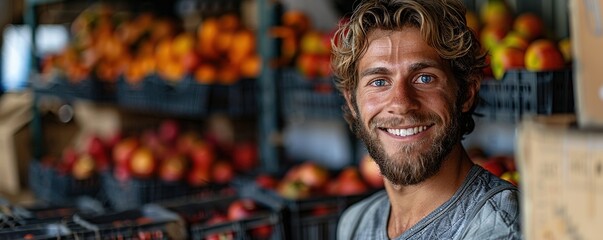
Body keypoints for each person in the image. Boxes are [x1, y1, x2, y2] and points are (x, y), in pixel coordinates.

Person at [330, 0, 521, 239]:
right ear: (352, 102)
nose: (401, 104)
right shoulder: (356, 223)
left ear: (467, 93)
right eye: (379, 82)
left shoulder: (496, 229)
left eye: (424, 78)